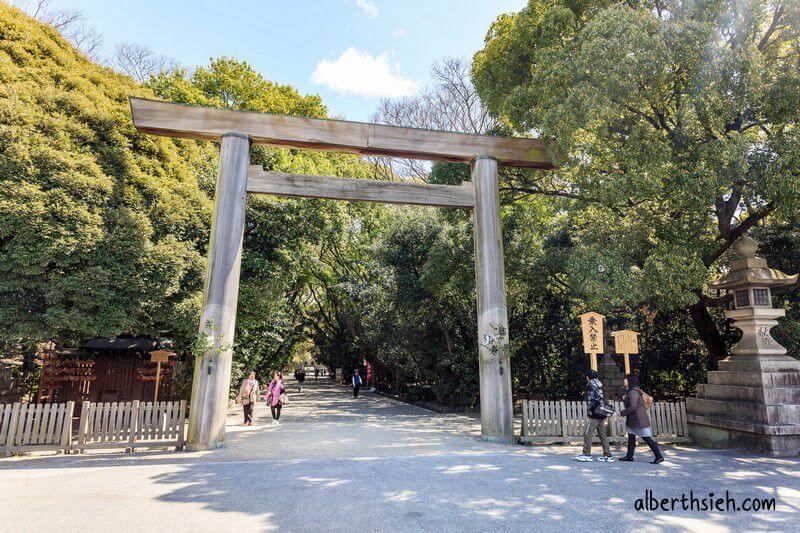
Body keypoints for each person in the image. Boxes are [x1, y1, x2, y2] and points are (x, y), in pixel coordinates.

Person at [619, 374, 664, 464]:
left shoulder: (633, 392)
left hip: (638, 420)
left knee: (647, 438)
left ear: (629, 381)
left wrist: (622, 412)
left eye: (626, 379)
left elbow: (633, 406)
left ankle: (659, 456)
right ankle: (629, 456)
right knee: (631, 438)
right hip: (634, 419)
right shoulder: (632, 391)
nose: (624, 380)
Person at [575, 369, 614, 462]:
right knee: (602, 434)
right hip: (601, 413)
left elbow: (594, 400)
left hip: (595, 414)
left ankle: (586, 454)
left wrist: (591, 411)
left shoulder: (592, 385)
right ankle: (608, 455)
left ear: (588, 377)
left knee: (588, 433)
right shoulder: (599, 384)